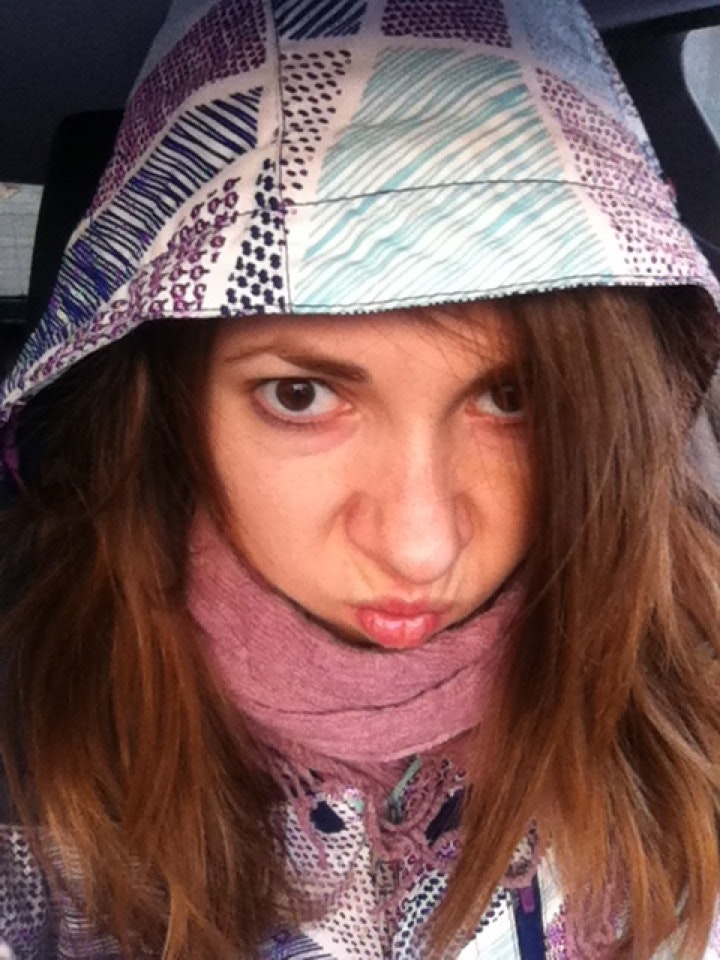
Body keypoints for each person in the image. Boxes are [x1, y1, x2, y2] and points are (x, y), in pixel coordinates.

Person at [1, 0, 720, 957]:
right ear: (171, 405)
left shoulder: (685, 696)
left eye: (511, 398)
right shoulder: (33, 745)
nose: (420, 546)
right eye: (300, 395)